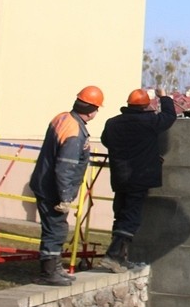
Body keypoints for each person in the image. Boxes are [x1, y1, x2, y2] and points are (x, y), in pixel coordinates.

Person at [29, 85, 104, 286]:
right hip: (53, 188)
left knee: (55, 228)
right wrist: (65, 197)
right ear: (92, 110)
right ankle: (48, 272)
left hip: (45, 182)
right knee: (56, 230)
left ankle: (54, 267)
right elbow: (65, 167)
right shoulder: (74, 132)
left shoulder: (62, 118)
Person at [98, 87, 176, 272]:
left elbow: (106, 141)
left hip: (119, 177)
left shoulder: (112, 123)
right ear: (145, 106)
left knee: (121, 214)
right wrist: (164, 97)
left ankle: (121, 258)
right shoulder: (149, 121)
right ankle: (113, 255)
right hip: (139, 177)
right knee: (131, 218)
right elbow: (169, 116)